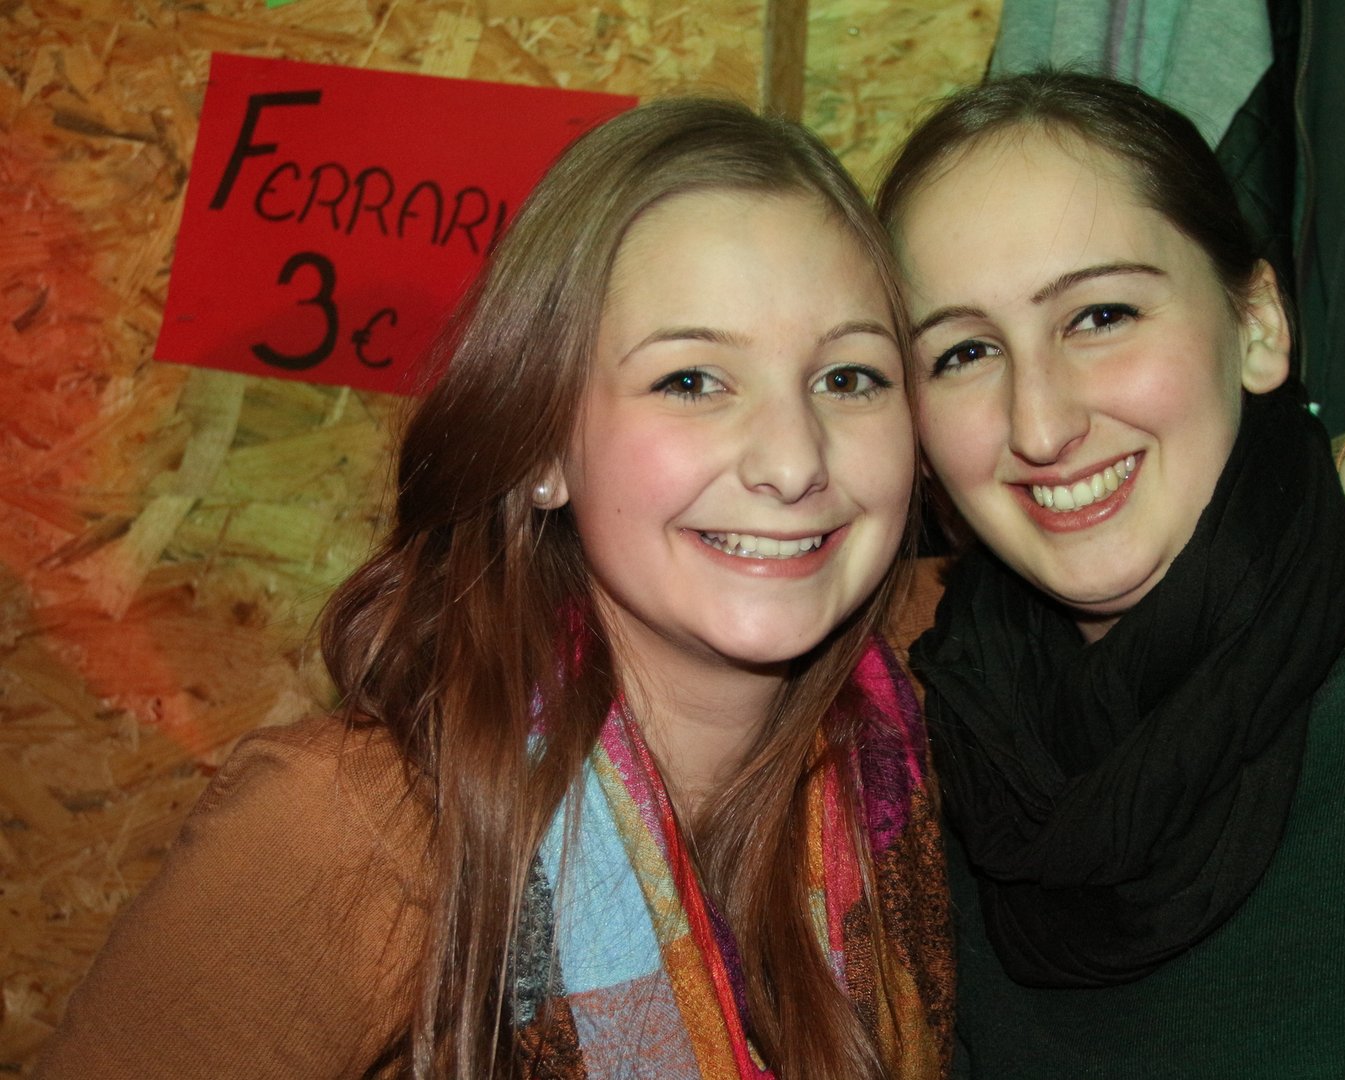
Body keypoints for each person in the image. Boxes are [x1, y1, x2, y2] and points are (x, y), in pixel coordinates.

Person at [32, 98, 951, 1080]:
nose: (793, 460)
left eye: (849, 377)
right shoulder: (348, 831)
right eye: (691, 380)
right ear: (541, 446)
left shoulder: (935, 719)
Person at [877, 71, 1345, 1076]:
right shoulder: (927, 763)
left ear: (1258, 326)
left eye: (1101, 315)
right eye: (964, 353)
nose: (1041, 424)